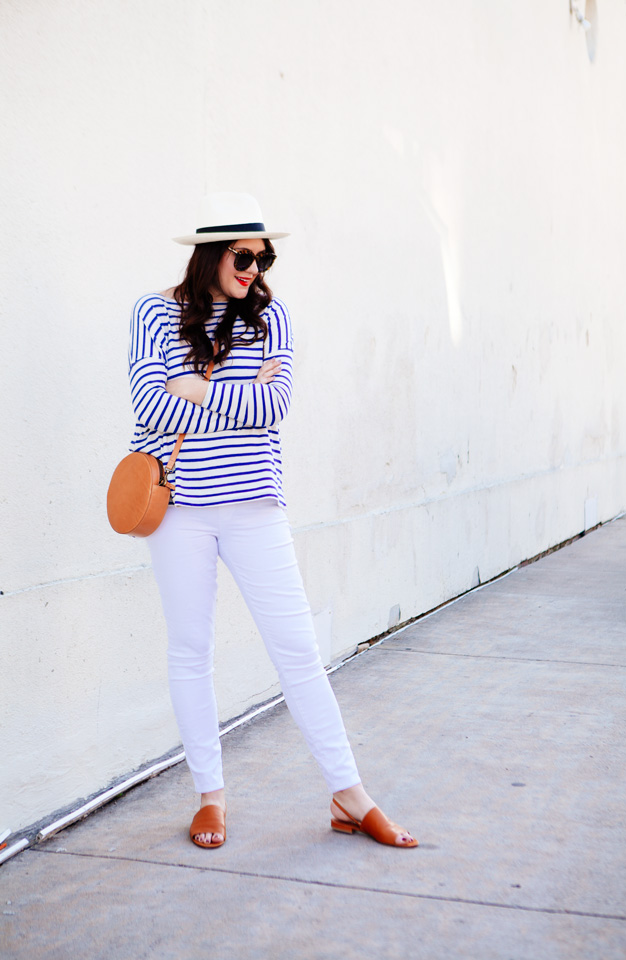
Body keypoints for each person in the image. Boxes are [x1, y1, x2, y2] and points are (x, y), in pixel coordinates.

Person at [128, 192, 417, 849]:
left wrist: (198, 389)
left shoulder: (271, 318)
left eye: (264, 257)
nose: (255, 268)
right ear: (210, 255)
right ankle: (210, 797)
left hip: (255, 503)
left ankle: (350, 796)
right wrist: (237, 396)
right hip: (178, 511)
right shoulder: (154, 312)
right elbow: (149, 403)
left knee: (297, 651)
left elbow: (274, 406)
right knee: (190, 650)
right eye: (243, 255)